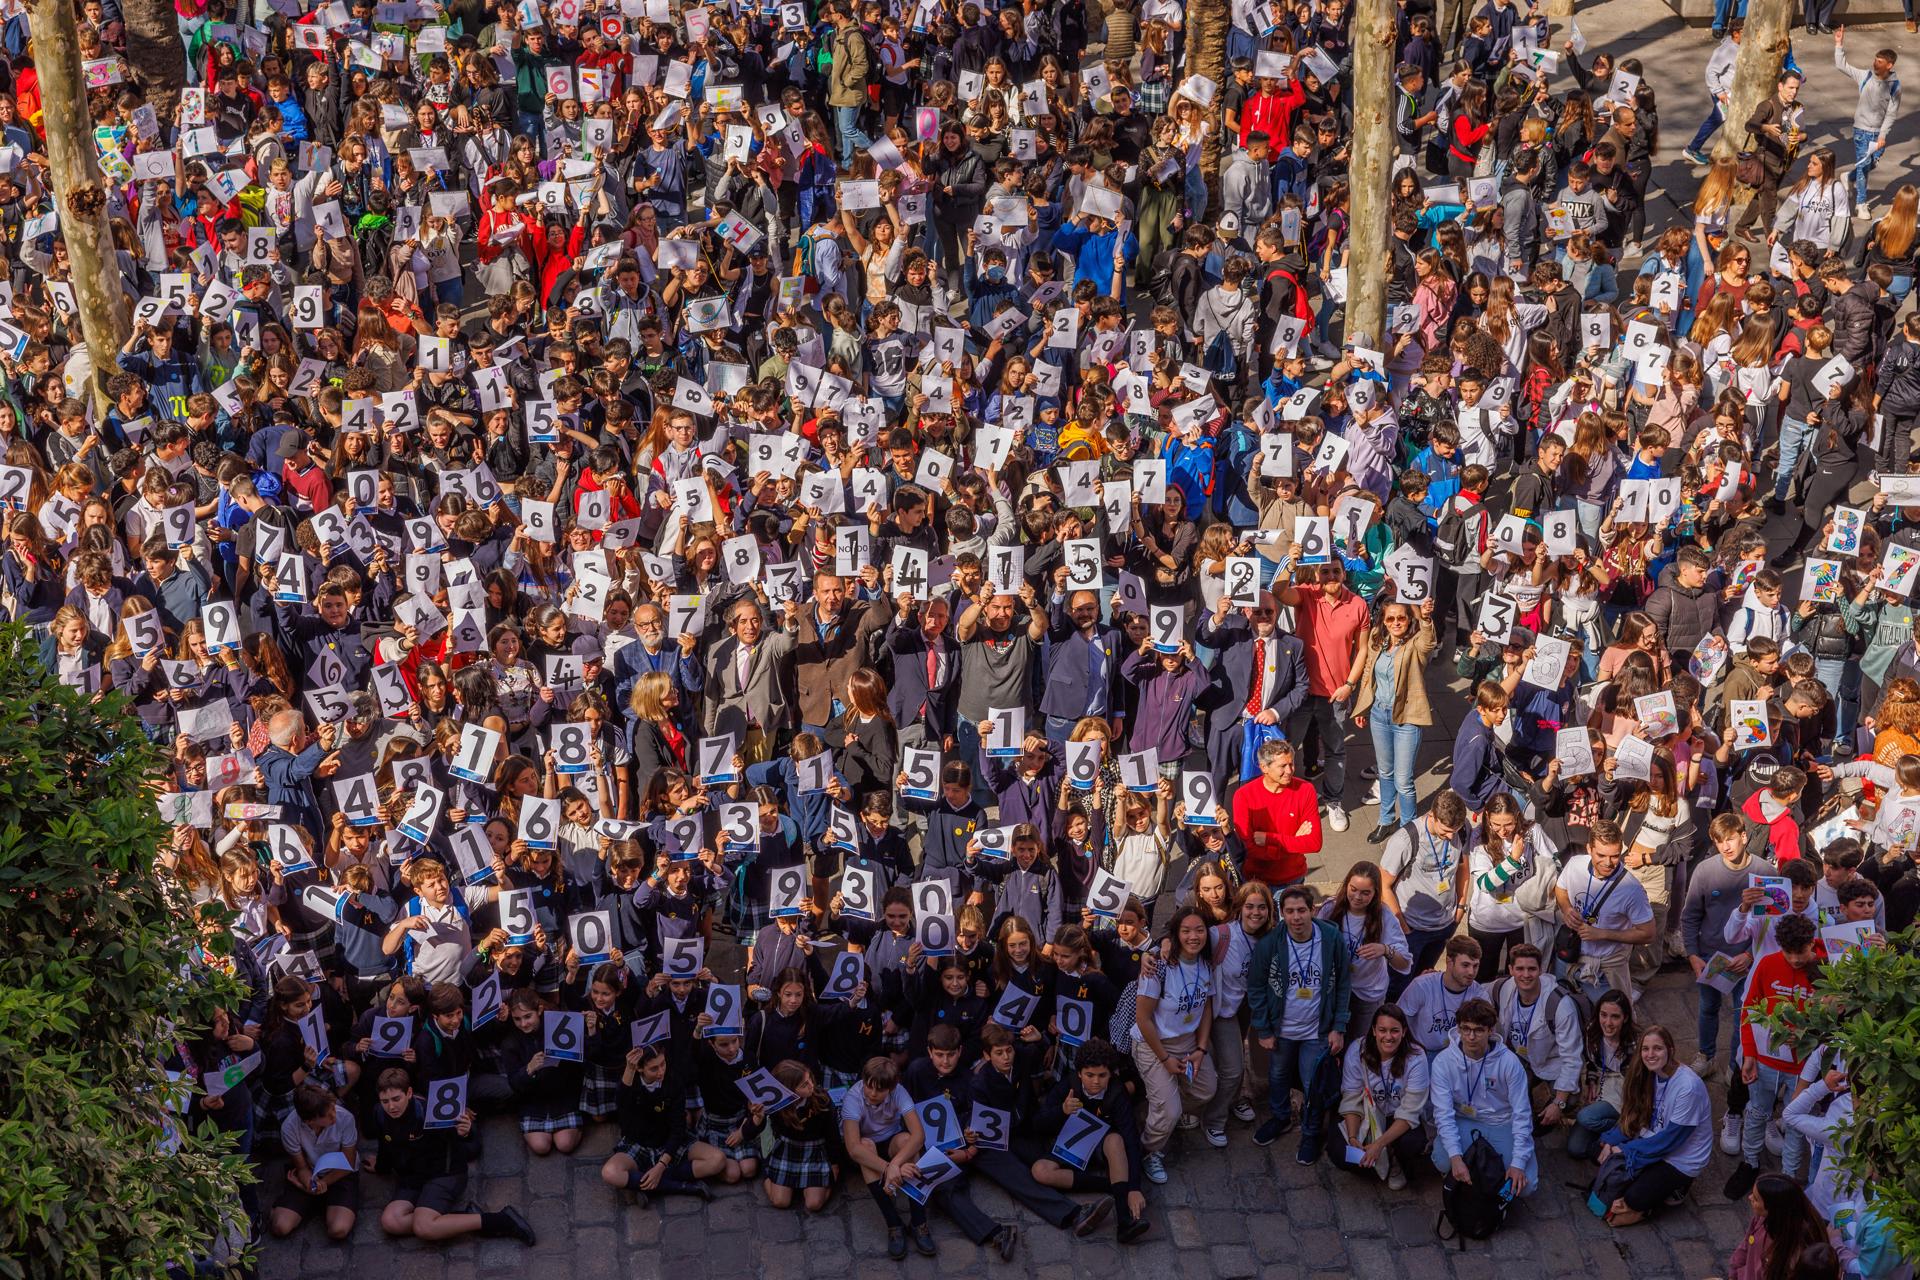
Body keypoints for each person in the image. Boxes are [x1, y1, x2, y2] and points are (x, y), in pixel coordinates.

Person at [1247, 884, 1352, 1161]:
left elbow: (1343, 983)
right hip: (1282, 1030)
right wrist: (1264, 1028)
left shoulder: (1330, 937)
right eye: (1290, 911)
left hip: (1317, 1030)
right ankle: (1281, 1117)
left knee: (1312, 1083)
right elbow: (1256, 987)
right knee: (1278, 1076)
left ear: (1313, 910)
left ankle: (1311, 1131)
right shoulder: (1270, 943)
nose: (1296, 917)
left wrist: (1338, 1027)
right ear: (1281, 914)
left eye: (1302, 910)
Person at [1591, 1025, 1714, 1226]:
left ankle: (1677, 1186)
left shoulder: (1688, 1088)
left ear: (1671, 1050)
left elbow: (1670, 1141)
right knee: (1598, 1150)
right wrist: (1611, 1141)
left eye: (1657, 1048)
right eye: (1645, 1049)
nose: (1650, 1054)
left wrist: (1624, 1150)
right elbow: (1635, 1114)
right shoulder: (1650, 1073)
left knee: (1634, 1197)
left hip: (1679, 1157)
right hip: (1651, 1137)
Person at [1428, 998, 1535, 1196]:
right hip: (1465, 1119)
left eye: (1478, 1030)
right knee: (1443, 1161)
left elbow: (1522, 1114)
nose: (1470, 1036)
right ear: (1458, 1028)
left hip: (1501, 1122)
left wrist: (1518, 1163)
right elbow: (1443, 1113)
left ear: (1490, 1031)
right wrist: (1455, 1158)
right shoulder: (1443, 1062)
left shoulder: (1510, 1063)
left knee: (1526, 1185)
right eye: (1465, 1029)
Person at [1334, 1004, 1430, 1191]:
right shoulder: (1358, 1050)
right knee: (1342, 1154)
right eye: (1382, 1030)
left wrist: (1378, 1144)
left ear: (1403, 1032)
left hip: (1399, 1115)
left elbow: (1410, 1111)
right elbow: (1351, 1096)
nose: (1388, 1036)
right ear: (1373, 1031)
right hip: (1368, 1112)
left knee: (1412, 1143)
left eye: (1394, 1031)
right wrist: (1353, 1138)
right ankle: (1377, 1161)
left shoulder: (1416, 1057)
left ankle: (1394, 1159)